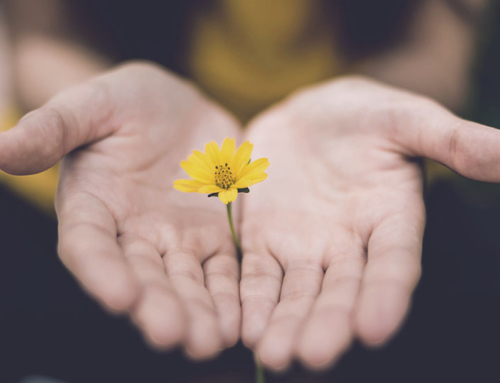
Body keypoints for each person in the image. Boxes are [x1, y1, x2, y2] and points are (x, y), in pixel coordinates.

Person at [0, 0, 498, 374]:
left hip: (357, 188)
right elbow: (41, 34)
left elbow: (441, 37)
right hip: (116, 188)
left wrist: (383, 100)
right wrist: (89, 107)